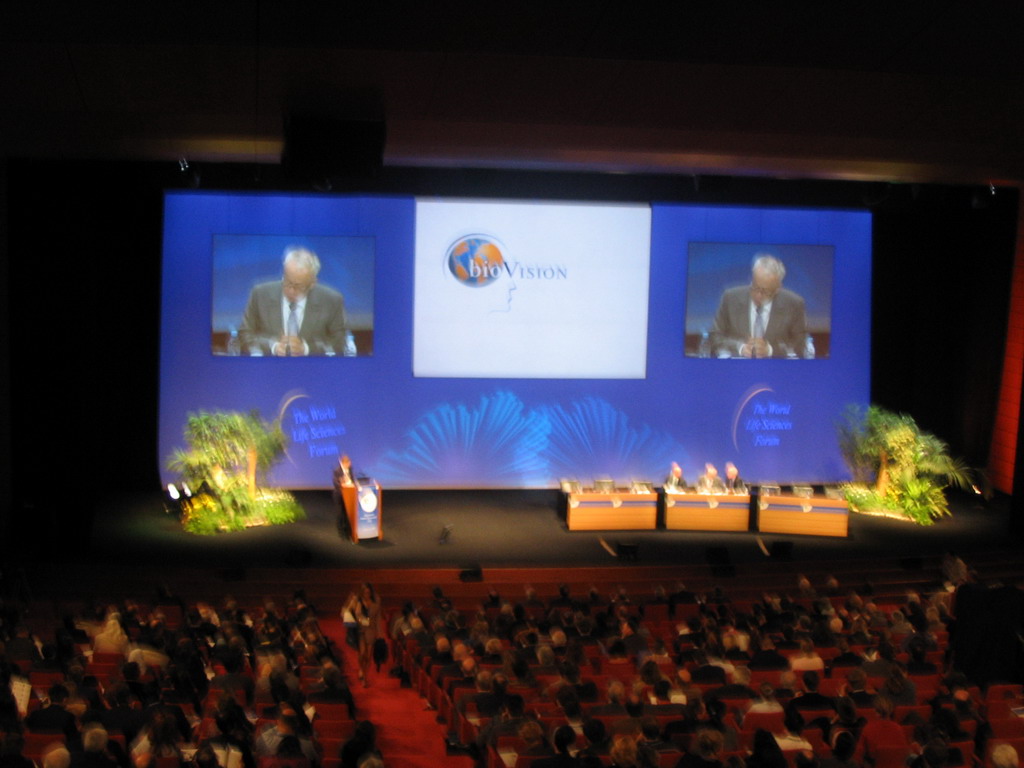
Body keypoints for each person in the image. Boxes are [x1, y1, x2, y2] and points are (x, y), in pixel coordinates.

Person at [239, 247, 347, 356]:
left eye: (299, 286)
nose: (291, 291)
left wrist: (306, 349)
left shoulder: (332, 300)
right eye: (287, 282)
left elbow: (339, 343)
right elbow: (244, 335)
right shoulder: (260, 294)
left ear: (312, 283)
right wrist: (274, 346)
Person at [710, 254, 807, 358]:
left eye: (766, 292)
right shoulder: (730, 298)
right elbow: (715, 336)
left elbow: (800, 344)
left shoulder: (794, 304)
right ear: (751, 279)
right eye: (755, 287)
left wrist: (770, 350)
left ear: (777, 288)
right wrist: (740, 347)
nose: (758, 295)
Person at [348, 583, 381, 686]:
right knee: (362, 654)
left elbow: (377, 619)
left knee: (368, 655)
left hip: (371, 630)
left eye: (368, 592)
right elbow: (349, 612)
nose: (367, 594)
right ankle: (361, 669)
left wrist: (379, 633)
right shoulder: (357, 602)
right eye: (365, 592)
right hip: (360, 630)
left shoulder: (375, 603)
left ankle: (365, 677)